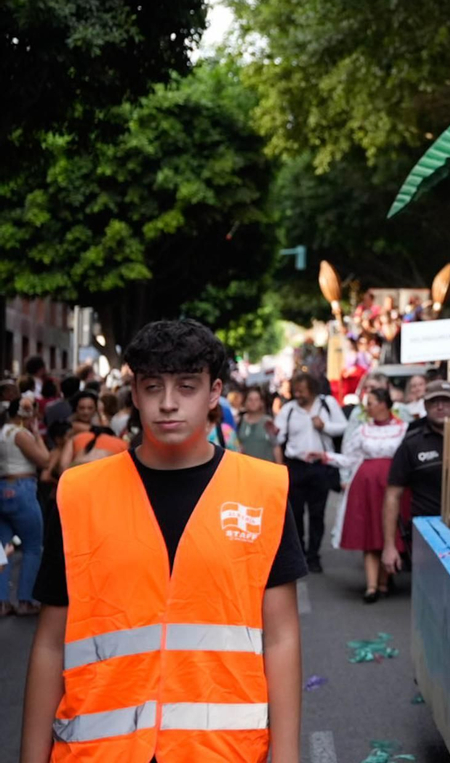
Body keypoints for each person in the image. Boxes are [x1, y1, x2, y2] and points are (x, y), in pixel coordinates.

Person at [22, 318, 304, 763]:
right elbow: (50, 643)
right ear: (134, 394)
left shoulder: (263, 490)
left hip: (220, 751)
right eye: (153, 387)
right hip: (97, 750)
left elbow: (282, 637)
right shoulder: (79, 493)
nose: (168, 404)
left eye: (187, 387)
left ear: (214, 392)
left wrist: (287, 756)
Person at [330, 386, 407, 602]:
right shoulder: (363, 430)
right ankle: (372, 586)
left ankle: (384, 582)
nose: (367, 408)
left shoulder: (403, 429)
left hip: (393, 484)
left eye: (371, 403)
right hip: (367, 486)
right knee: (370, 534)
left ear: (384, 404)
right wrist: (327, 457)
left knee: (388, 533)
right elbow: (350, 458)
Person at [274, 372, 347, 573]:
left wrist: (325, 427)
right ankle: (300, 555)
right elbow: (278, 438)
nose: (298, 394)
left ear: (312, 390)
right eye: (295, 390)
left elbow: (344, 428)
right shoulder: (288, 410)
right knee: (295, 514)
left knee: (317, 513)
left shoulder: (327, 404)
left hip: (319, 466)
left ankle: (313, 555)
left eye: (302, 391)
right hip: (296, 467)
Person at [383, 380, 450, 577]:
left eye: (446, 401)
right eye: (434, 402)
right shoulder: (412, 443)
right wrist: (389, 547)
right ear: (425, 406)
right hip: (426, 534)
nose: (440, 407)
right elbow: (392, 495)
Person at [2, 390, 49, 616]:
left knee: (4, 548)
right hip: (22, 488)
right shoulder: (20, 434)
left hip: (2, 488)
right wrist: (36, 435)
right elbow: (44, 459)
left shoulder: (1, 432)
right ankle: (26, 599)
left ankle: (2, 601)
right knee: (32, 546)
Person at [51, 388, 126, 475]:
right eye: (81, 408)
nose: (86, 412)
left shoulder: (98, 425)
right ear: (76, 409)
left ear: (95, 409)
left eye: (90, 408)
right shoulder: (71, 426)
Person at [237, 386, 278, 461]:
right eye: (250, 399)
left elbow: (276, 446)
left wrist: (280, 468)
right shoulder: (239, 421)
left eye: (256, 400)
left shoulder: (268, 421)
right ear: (245, 402)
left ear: (261, 403)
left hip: (265, 468)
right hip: (247, 467)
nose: (253, 402)